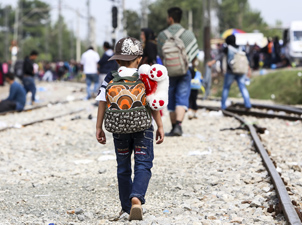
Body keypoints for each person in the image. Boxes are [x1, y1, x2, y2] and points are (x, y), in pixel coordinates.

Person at [95, 37, 164, 221]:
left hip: (119, 129)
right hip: (143, 128)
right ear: (139, 59)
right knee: (143, 163)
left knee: (123, 167)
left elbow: (102, 102)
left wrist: (99, 127)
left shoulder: (110, 77)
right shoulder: (145, 77)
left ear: (117, 60)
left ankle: (126, 208)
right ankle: (136, 199)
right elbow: (153, 103)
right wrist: (160, 126)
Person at [157, 7, 199, 136]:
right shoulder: (188, 34)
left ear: (170, 18)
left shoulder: (162, 35)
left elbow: (160, 54)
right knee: (182, 97)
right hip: (183, 71)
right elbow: (193, 54)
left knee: (171, 99)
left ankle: (173, 126)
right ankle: (179, 126)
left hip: (169, 73)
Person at [208, 34, 252, 110]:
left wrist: (212, 62)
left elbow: (220, 56)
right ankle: (248, 104)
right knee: (242, 87)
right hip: (241, 71)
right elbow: (245, 59)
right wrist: (248, 68)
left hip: (230, 71)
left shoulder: (227, 48)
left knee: (226, 88)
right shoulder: (240, 48)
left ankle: (223, 106)